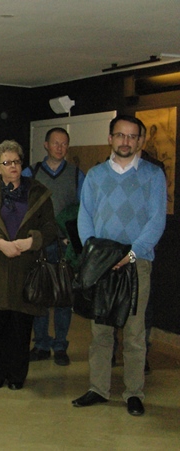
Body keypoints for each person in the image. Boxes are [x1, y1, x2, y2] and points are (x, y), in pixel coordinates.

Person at [71, 115, 166, 416]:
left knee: (135, 334)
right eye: (120, 135)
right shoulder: (95, 175)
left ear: (140, 141)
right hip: (102, 264)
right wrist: (95, 253)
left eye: (132, 136)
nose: (126, 141)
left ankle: (133, 392)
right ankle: (98, 389)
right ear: (110, 138)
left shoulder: (153, 175)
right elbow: (84, 216)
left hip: (136, 263)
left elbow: (157, 221)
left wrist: (133, 253)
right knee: (100, 332)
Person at [0, 140, 57, 390]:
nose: (13, 166)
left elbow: (50, 228)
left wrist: (31, 242)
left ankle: (17, 375)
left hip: (25, 270)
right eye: (7, 163)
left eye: (17, 161)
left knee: (20, 327)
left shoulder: (39, 193)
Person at [22, 127, 85, 366]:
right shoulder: (31, 173)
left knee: (63, 298)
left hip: (64, 246)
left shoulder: (77, 175)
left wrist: (73, 237)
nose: (60, 147)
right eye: (56, 143)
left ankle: (60, 345)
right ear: (46, 145)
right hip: (39, 244)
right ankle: (41, 344)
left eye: (64, 143)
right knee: (39, 296)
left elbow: (84, 209)